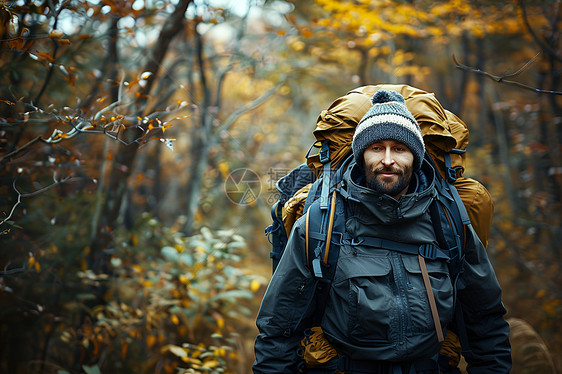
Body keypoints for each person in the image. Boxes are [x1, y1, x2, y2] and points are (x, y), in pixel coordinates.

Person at [253, 90, 511, 373]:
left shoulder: (448, 222)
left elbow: (486, 324)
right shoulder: (320, 226)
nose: (387, 159)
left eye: (399, 149)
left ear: (416, 156)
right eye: (376, 147)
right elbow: (278, 331)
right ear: (361, 154)